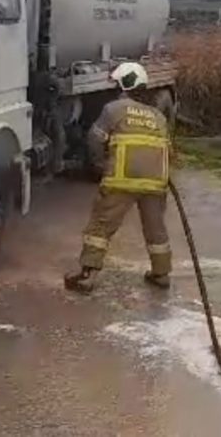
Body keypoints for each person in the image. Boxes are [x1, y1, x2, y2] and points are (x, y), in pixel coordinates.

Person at [65, 62, 173, 294]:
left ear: (124, 84)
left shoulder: (114, 109)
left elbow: (94, 139)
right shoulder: (158, 117)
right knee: (156, 229)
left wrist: (99, 164)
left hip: (122, 180)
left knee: (101, 226)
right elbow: (167, 150)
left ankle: (87, 276)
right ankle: (161, 274)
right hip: (156, 182)